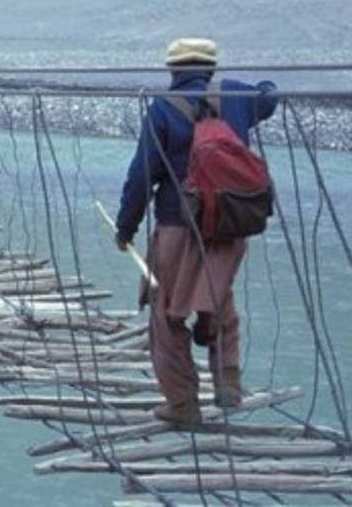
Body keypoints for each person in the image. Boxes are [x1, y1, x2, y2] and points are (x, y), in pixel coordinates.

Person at [114, 38, 277, 425]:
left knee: (166, 315)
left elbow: (142, 175)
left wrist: (126, 227)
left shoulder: (162, 108)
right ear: (211, 68)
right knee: (218, 297)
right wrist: (263, 88)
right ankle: (228, 385)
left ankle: (183, 406)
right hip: (229, 225)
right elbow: (269, 98)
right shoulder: (236, 96)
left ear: (173, 70)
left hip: (177, 226)